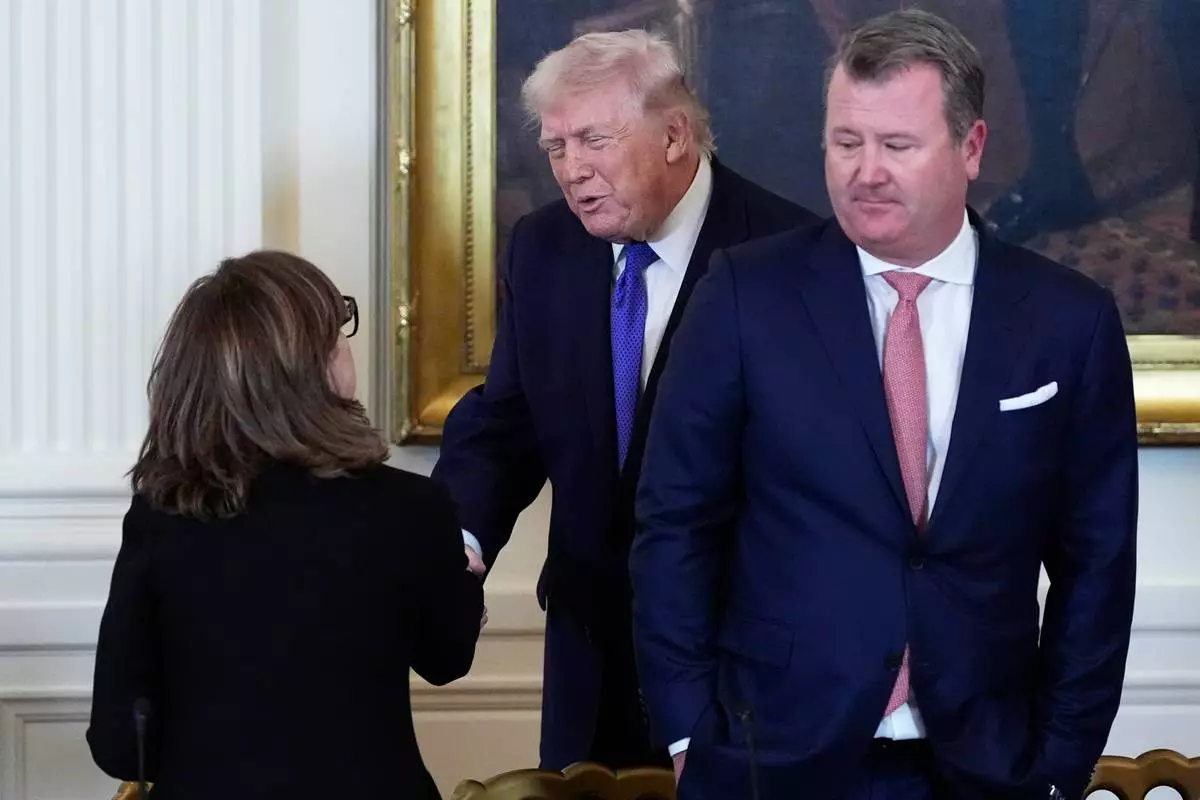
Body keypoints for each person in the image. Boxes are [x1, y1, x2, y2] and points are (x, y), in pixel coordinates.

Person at [632, 9, 1137, 800]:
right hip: (773, 760)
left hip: (988, 765)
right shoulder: (743, 296)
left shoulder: (1068, 320)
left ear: (971, 148)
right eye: (846, 143)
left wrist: (1059, 765)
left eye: (897, 146)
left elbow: (1097, 565)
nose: (865, 172)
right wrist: (691, 732)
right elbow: (674, 525)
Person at [431, 28, 820, 771]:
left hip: (735, 668)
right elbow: (507, 422)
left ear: (674, 134)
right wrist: (461, 539)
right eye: (555, 147)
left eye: (593, 140)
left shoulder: (787, 254)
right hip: (588, 662)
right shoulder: (543, 247)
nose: (571, 169)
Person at [86, 251, 483, 800]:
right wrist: (465, 582)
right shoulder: (409, 506)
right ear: (315, 364)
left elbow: (117, 742)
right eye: (338, 329)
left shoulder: (161, 515)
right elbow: (446, 659)